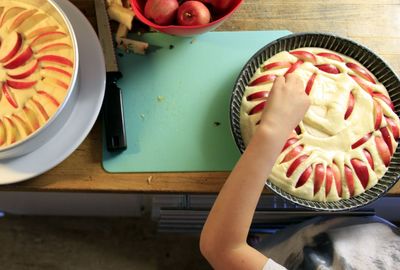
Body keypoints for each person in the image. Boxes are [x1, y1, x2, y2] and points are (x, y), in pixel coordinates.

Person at [199, 74, 400, 269]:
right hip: (355, 236)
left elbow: (221, 249)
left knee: (275, 248)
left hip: (292, 256)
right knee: (294, 239)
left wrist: (273, 128)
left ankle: (260, 248)